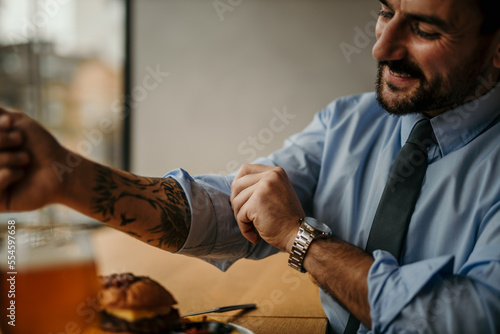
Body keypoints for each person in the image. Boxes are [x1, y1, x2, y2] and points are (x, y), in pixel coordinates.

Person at [1, 0, 499, 332]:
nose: (382, 47)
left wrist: (301, 238)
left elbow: (467, 318)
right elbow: (237, 211)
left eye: (424, 29)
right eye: (385, 12)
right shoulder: (349, 120)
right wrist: (66, 176)